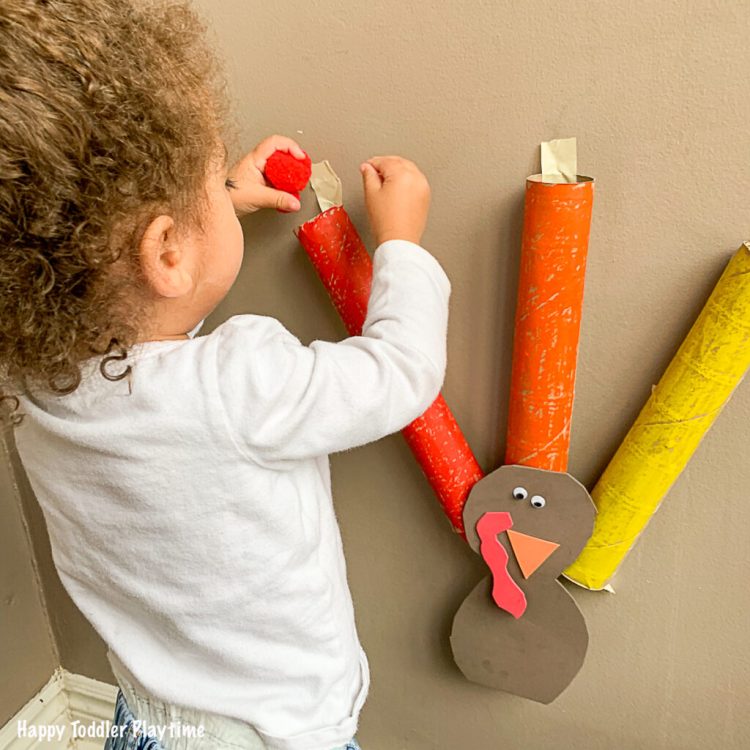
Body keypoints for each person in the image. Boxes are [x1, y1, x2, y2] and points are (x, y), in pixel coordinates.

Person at [0, 1, 450, 749]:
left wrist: (218, 206)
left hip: (149, 719)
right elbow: (398, 373)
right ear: (166, 253)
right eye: (214, 176)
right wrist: (402, 245)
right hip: (277, 734)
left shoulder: (31, 373)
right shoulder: (244, 384)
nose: (223, 183)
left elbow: (137, 346)